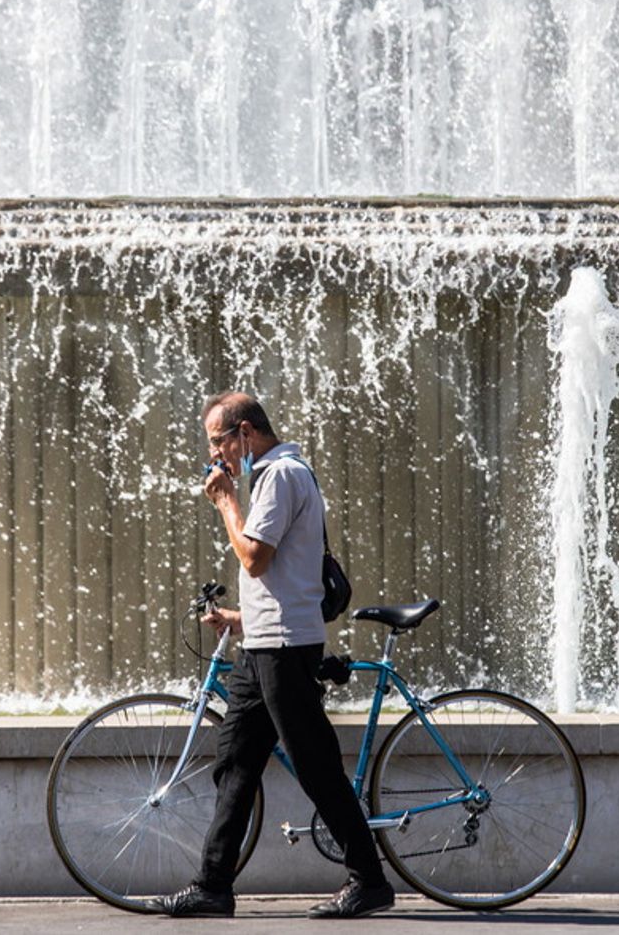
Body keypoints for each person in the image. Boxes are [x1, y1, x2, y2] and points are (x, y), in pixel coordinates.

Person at [151, 391, 395, 920]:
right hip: (263, 646)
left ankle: (369, 879)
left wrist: (225, 501)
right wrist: (241, 620)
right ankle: (213, 886)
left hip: (284, 651)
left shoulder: (281, 475)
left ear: (244, 432)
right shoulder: (272, 476)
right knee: (235, 763)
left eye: (218, 443)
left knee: (316, 768)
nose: (215, 457)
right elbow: (284, 577)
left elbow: (256, 559)